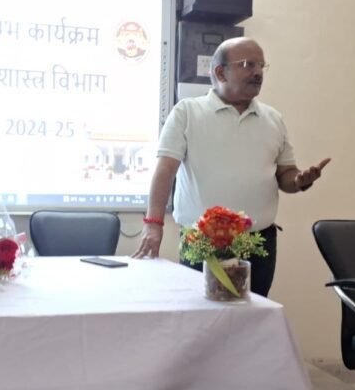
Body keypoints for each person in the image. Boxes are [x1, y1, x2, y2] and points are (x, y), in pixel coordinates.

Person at [132, 37, 329, 297]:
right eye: (248, 64)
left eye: (261, 65)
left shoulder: (273, 119)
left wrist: (299, 181)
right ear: (220, 72)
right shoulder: (187, 112)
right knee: (200, 315)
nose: (258, 72)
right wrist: (153, 224)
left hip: (258, 243)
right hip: (203, 242)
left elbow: (285, 174)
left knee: (254, 315)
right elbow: (165, 171)